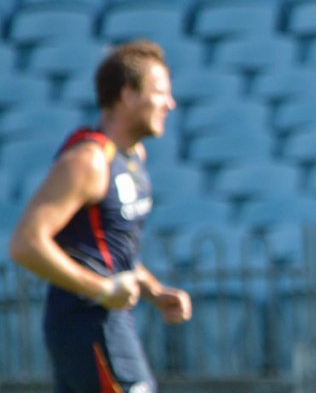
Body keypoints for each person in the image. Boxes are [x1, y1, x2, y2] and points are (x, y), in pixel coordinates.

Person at [8, 40, 191, 393]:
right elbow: (25, 243)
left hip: (111, 321)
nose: (170, 103)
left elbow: (111, 249)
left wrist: (154, 292)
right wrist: (103, 289)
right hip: (86, 323)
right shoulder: (88, 160)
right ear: (128, 95)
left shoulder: (133, 158)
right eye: (159, 92)